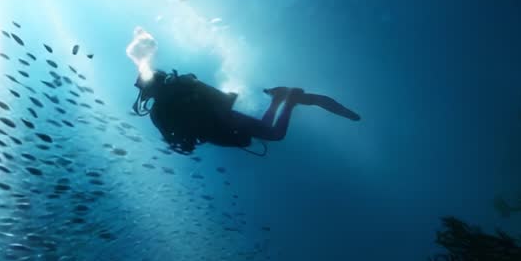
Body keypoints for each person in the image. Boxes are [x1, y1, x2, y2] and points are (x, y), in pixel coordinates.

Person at [131, 69, 361, 154]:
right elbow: (211, 94)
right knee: (266, 132)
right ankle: (280, 98)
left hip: (217, 126)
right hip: (222, 119)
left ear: (146, 93)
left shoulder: (157, 113)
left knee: (274, 135)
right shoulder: (179, 88)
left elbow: (177, 142)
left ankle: (288, 101)